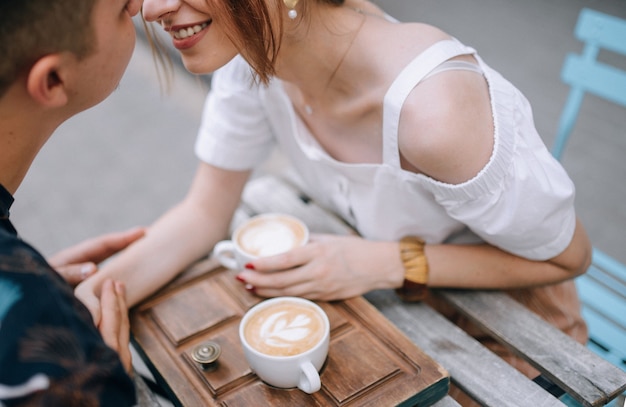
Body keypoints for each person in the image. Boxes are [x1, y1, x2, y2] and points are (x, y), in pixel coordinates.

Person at [75, 0, 592, 404]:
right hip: (395, 324)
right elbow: (203, 213)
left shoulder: (432, 113)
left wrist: (385, 263)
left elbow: (568, 258)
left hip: (509, 345)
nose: (151, 8)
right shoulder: (249, 55)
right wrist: (74, 306)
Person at [0, 0, 143, 405]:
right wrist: (91, 383)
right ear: (53, 80)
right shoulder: (63, 366)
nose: (138, 6)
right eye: (118, 7)